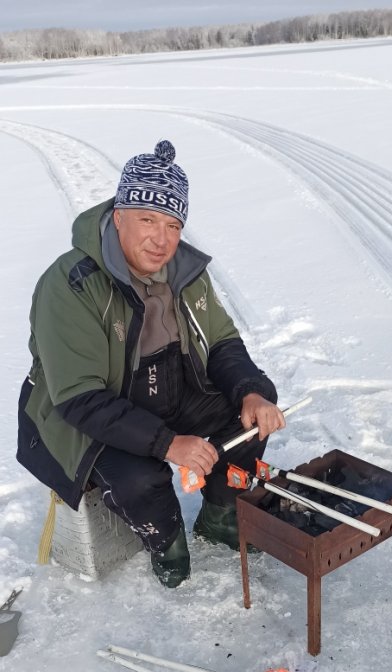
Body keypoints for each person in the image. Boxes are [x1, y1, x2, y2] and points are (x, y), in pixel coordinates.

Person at [17, 139, 285, 587]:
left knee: (252, 411)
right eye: (147, 219)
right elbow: (80, 398)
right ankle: (166, 543)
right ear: (119, 215)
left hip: (166, 386)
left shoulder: (184, 271)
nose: (162, 240)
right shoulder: (70, 285)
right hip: (87, 410)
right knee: (142, 478)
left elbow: (221, 341)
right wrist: (168, 443)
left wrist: (251, 392)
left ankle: (220, 515)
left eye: (173, 225)